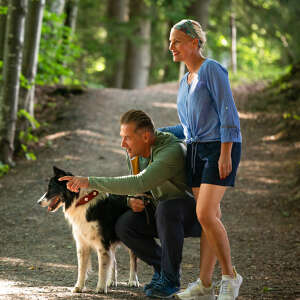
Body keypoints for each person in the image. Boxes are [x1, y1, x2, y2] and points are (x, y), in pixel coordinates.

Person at [59, 109, 204, 298]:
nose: (122, 144)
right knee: (124, 225)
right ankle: (163, 268)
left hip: (192, 213)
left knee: (167, 208)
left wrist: (89, 181)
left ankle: (170, 279)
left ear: (145, 136)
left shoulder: (171, 151)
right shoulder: (136, 152)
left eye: (127, 138)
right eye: (122, 137)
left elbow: (140, 182)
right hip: (161, 210)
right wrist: (130, 200)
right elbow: (137, 189)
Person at [159, 19, 243, 300]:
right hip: (195, 151)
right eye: (170, 41)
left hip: (219, 147)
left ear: (195, 42)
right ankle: (205, 285)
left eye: (177, 41)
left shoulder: (212, 70)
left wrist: (226, 152)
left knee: (205, 213)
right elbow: (187, 127)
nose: (171, 46)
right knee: (210, 218)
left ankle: (230, 278)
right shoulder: (185, 81)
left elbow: (228, 113)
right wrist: (157, 134)